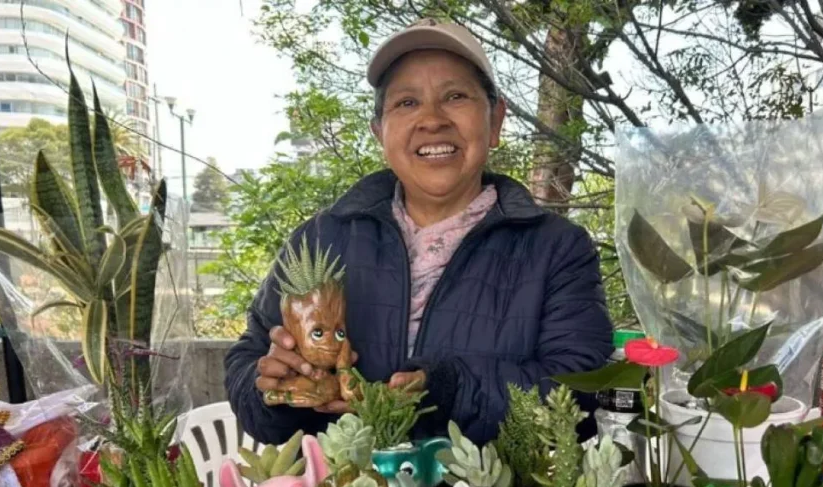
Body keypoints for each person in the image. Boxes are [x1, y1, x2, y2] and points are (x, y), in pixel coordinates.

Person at [225, 19, 613, 446]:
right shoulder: (319, 240)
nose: (432, 120)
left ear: (496, 120)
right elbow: (248, 361)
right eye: (407, 102)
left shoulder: (556, 249)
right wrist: (274, 390)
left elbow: (580, 396)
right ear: (380, 132)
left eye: (455, 96)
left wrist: (447, 388)